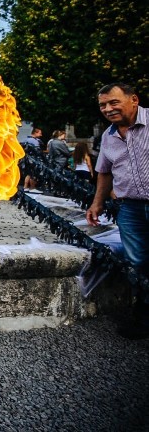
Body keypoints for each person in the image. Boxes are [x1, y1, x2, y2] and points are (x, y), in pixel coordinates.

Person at [87, 83, 148, 339]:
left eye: (113, 102)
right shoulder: (108, 136)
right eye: (103, 105)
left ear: (134, 99)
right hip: (131, 209)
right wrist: (97, 202)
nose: (108, 109)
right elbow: (104, 171)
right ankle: (143, 317)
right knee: (140, 263)